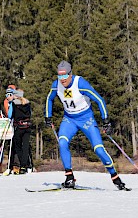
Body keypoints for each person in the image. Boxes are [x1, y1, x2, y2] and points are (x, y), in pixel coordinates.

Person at [44, 60, 129, 190]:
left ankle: (115, 177)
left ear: (70, 74)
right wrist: (47, 116)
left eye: (65, 76)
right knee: (62, 142)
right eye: (59, 76)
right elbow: (49, 98)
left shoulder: (80, 83)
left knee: (98, 149)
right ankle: (69, 177)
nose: (62, 79)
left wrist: (105, 120)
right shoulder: (56, 85)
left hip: (86, 119)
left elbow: (99, 100)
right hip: (69, 119)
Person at [7, 88, 32, 175]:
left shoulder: (14, 103)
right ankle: (24, 166)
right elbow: (30, 113)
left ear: (16, 95)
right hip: (27, 126)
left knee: (18, 147)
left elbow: (10, 115)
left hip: (19, 127)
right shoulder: (27, 102)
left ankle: (22, 164)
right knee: (25, 147)